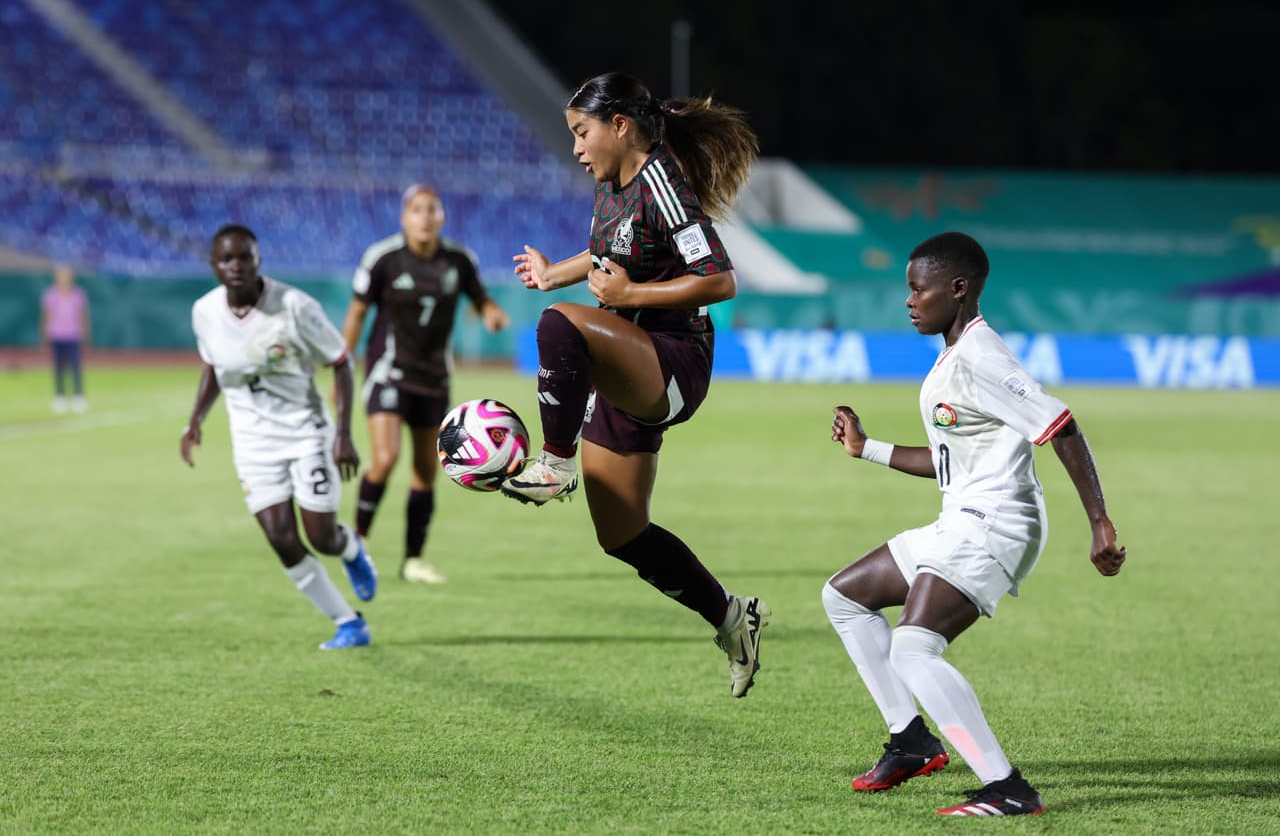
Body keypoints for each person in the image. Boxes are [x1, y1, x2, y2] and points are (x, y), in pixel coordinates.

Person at [822, 231, 1127, 815]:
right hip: (959, 517)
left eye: (919, 290)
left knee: (914, 650)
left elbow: (1060, 425)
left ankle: (1008, 788)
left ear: (958, 289)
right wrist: (866, 449)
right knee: (844, 596)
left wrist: (1099, 521)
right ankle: (910, 741)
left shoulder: (983, 356)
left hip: (995, 525)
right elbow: (946, 461)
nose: (909, 301)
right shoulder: (953, 356)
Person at [500, 72, 770, 698]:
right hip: (629, 363)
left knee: (560, 327)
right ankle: (733, 617)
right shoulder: (613, 185)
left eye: (582, 132)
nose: (576, 147)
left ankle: (553, 462)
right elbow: (605, 254)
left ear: (620, 127)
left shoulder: (662, 182)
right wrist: (553, 273)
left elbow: (720, 279)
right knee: (621, 534)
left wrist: (630, 295)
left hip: (673, 359)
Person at [180, 224, 379, 650]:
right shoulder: (205, 311)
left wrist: (342, 434)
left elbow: (341, 361)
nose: (235, 266)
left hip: (306, 432)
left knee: (321, 538)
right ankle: (348, 623)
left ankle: (351, 550)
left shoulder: (294, 307)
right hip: (253, 444)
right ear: (213, 264)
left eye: (244, 257)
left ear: (258, 260)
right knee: (281, 539)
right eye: (226, 259)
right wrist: (195, 419)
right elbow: (214, 366)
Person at [339, 185, 510, 584]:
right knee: (385, 458)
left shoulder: (459, 261)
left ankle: (413, 560)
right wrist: (342, 368)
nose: (425, 216)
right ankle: (357, 545)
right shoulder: (383, 259)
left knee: (426, 473)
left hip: (434, 378)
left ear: (443, 217)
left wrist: (492, 313)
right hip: (388, 371)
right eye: (417, 209)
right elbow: (356, 315)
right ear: (404, 217)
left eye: (433, 209)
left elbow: (481, 298)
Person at [41, 265, 90, 414]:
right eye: (61, 276)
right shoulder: (51, 294)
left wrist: (85, 333)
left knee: (75, 366)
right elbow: (47, 315)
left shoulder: (78, 294)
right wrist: (45, 333)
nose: (63, 279)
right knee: (58, 367)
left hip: (73, 334)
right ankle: (60, 397)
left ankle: (78, 397)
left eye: (66, 276)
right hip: (56, 335)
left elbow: (82, 315)